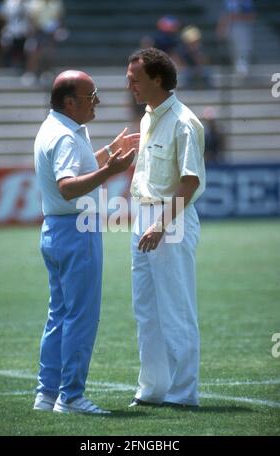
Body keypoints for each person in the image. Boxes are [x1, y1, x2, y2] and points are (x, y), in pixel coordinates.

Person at [33, 70, 139, 414]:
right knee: (81, 316)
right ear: (69, 102)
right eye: (90, 96)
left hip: (56, 228)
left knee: (59, 314)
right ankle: (72, 397)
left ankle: (47, 394)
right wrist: (111, 171)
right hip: (77, 229)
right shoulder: (65, 136)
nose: (97, 101)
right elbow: (68, 185)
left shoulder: (57, 128)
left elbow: (75, 167)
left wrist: (108, 151)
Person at [126, 48, 205, 407]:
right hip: (144, 218)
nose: (131, 86)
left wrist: (159, 225)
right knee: (146, 311)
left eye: (136, 80)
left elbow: (189, 183)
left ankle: (183, 392)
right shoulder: (147, 117)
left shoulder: (185, 122)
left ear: (157, 79)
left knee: (176, 309)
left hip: (168, 221)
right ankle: (153, 389)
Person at [216, 0, 256, 76]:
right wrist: (221, 27)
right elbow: (224, 15)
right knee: (232, 50)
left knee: (243, 49)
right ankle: (236, 68)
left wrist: (236, 17)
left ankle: (242, 67)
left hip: (242, 27)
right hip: (230, 27)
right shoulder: (228, 2)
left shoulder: (246, 2)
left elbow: (251, 16)